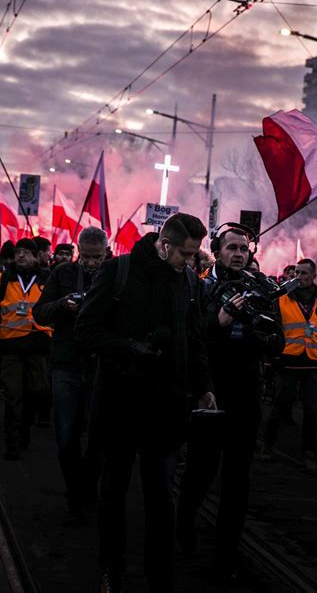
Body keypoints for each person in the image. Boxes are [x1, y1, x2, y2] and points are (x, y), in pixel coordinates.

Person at [75, 213, 215, 593]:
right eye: (185, 253)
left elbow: (193, 337)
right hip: (119, 404)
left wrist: (203, 385)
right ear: (165, 245)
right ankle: (112, 569)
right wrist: (129, 350)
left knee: (160, 497)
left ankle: (160, 575)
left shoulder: (187, 281)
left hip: (166, 408)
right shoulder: (119, 271)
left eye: (194, 254)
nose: (190, 261)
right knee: (113, 493)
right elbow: (85, 328)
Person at [177, 227, 284, 583]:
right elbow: (190, 336)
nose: (239, 253)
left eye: (243, 248)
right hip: (211, 391)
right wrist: (218, 321)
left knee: (238, 481)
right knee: (200, 471)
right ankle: (184, 529)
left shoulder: (264, 290)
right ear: (217, 251)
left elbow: (278, 343)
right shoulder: (201, 287)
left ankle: (226, 556)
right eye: (231, 248)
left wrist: (263, 335)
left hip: (247, 394)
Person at [33, 227, 108, 526]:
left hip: (101, 365)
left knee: (99, 437)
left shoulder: (115, 274)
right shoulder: (62, 273)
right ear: (78, 250)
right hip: (66, 364)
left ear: (107, 251)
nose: (90, 263)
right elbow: (40, 313)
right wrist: (63, 306)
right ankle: (75, 491)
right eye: (86, 257)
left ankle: (87, 488)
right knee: (66, 436)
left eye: (96, 257)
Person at [263, 258, 317, 473]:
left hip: (313, 363)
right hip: (287, 362)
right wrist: (274, 356)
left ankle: (309, 454)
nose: (299, 277)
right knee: (279, 406)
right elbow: (272, 327)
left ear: (314, 277)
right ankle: (268, 446)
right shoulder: (282, 298)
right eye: (296, 272)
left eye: (304, 273)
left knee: (312, 412)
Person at [0, 238, 52, 460]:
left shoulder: (48, 279)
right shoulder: (2, 279)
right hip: (10, 346)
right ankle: (12, 442)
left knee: (36, 392)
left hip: (38, 348)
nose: (21, 255)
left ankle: (24, 429)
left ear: (36, 256)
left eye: (26, 252)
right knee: (13, 395)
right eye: (18, 252)